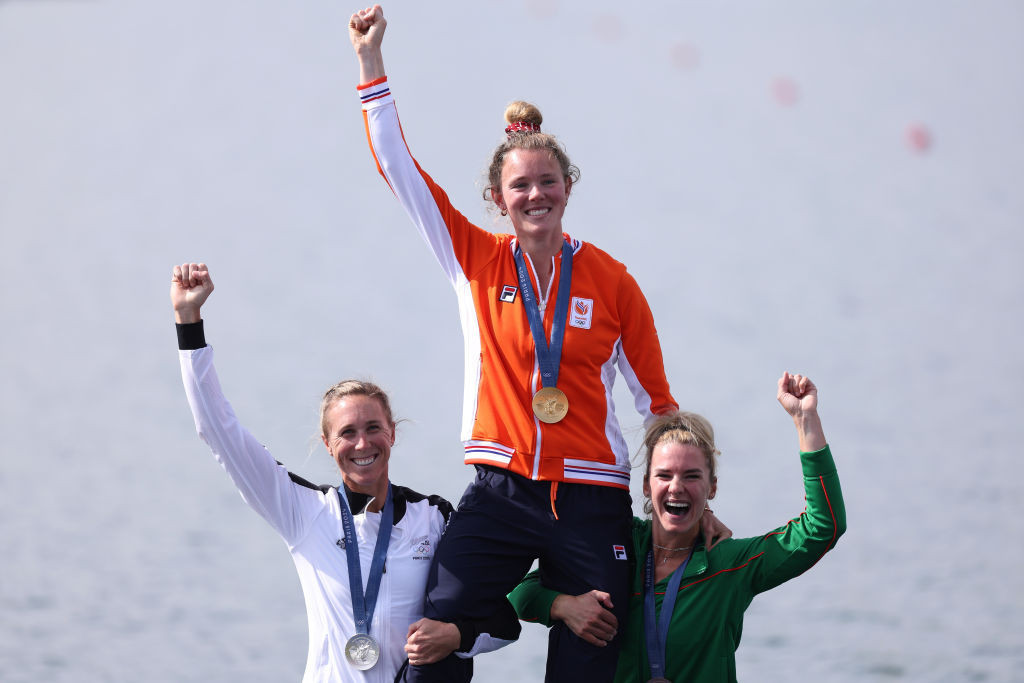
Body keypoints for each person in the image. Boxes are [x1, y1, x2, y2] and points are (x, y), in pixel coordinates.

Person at [348, 6, 727, 682]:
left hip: (593, 498)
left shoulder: (614, 282)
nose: (535, 194)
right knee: (436, 629)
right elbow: (399, 171)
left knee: (596, 639)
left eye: (547, 182)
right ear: (498, 197)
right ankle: (469, 633)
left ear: (568, 187)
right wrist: (370, 64)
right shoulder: (473, 260)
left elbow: (658, 406)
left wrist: (692, 501)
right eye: (520, 185)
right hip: (501, 492)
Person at [170, 262, 515, 682]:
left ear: (392, 433)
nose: (362, 444)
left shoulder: (434, 518)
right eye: (347, 433)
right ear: (328, 443)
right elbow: (217, 430)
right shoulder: (301, 511)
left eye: (373, 429)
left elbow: (501, 621)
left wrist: (458, 636)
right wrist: (189, 322)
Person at [509, 372, 847, 682]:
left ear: (711, 487)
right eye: (664, 475)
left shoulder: (729, 564)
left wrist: (806, 421)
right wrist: (564, 606)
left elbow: (822, 526)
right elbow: (518, 593)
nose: (676, 487)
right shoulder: (615, 544)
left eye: (692, 476)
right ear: (645, 485)